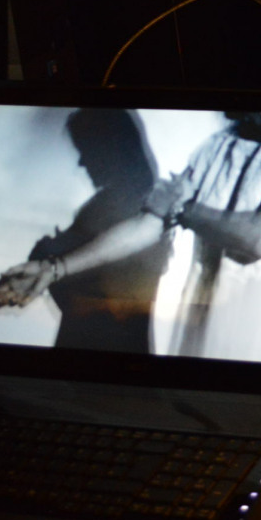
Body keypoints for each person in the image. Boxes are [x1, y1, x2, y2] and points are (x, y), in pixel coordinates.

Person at [0, 111, 261, 362]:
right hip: (211, 322)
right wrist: (52, 268)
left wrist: (182, 208)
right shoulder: (218, 146)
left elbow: (260, 239)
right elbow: (147, 225)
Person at [24, 108, 172, 353]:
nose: (82, 162)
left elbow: (90, 298)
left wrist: (46, 257)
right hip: (126, 346)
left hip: (94, 346)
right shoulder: (146, 205)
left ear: (109, 150)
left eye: (86, 150)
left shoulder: (112, 210)